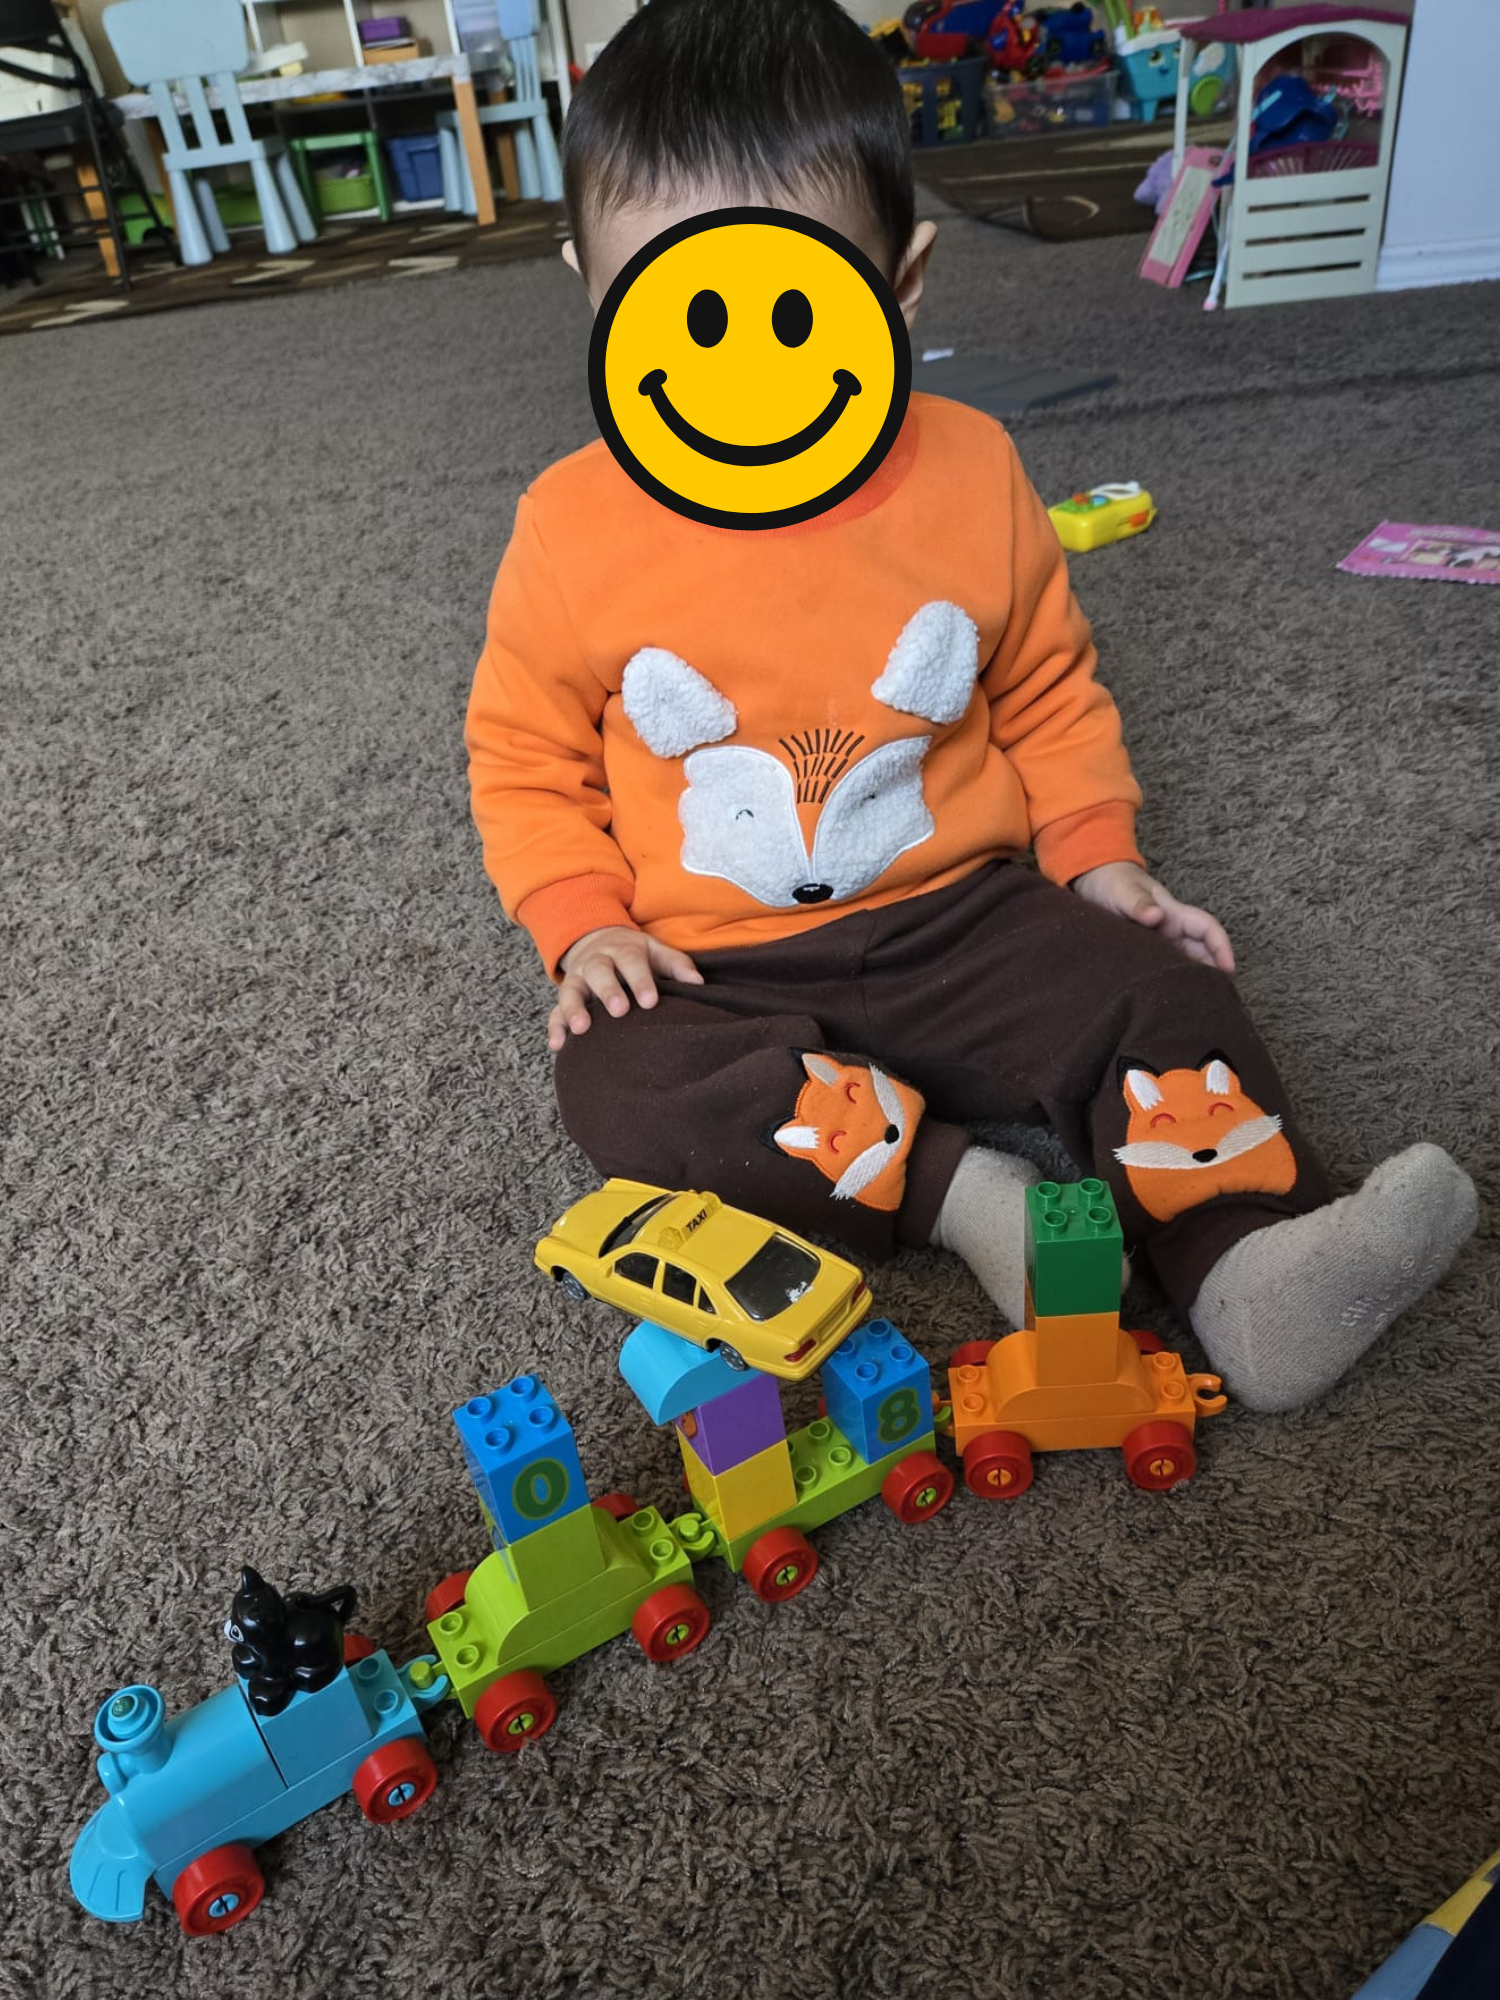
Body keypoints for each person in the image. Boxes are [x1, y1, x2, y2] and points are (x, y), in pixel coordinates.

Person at [465, 0, 1475, 1414]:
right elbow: (523, 752)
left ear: (905, 281)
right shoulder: (570, 526)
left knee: (1167, 987)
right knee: (618, 1086)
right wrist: (586, 925)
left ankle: (1253, 1267)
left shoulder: (972, 466)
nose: (745, 376)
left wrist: (1100, 857)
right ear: (589, 285)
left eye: (796, 307)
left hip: (966, 916)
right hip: (719, 962)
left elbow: (1045, 684)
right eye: (682, 311)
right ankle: (959, 1193)